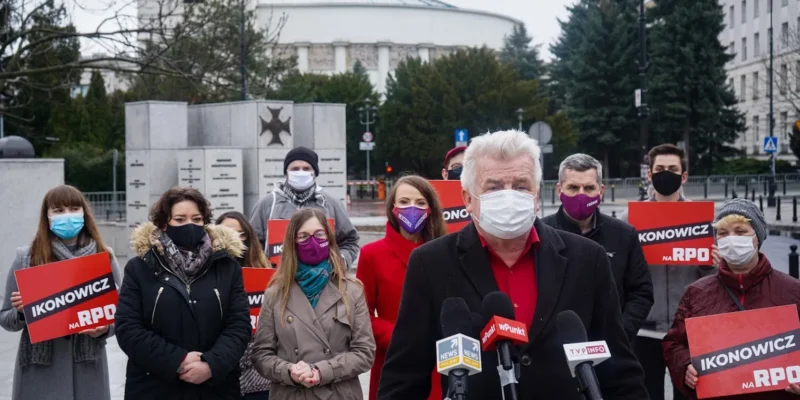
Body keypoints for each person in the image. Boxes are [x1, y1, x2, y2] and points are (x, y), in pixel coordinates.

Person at [378, 130, 648, 399]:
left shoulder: (588, 259)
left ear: (536, 195)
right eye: (494, 187)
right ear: (468, 199)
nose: (509, 197)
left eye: (520, 186)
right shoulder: (431, 263)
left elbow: (620, 373)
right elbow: (403, 379)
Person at [115, 187, 251, 399]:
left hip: (216, 388)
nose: (190, 225)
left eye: (197, 219)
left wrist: (210, 364)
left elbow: (239, 325)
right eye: (179, 219)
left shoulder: (227, 267)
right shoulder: (139, 268)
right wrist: (178, 360)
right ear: (163, 224)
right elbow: (128, 328)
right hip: (155, 387)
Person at [663, 199, 800, 399]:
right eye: (723, 233)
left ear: (757, 237)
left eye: (741, 231)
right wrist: (685, 367)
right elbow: (674, 343)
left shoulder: (792, 291)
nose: (732, 239)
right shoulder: (697, 293)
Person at [0, 185, 122, 400]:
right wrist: (21, 312)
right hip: (40, 373)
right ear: (47, 216)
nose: (68, 215)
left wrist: (103, 329)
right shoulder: (26, 258)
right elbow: (5, 318)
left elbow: (121, 315)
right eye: (58, 210)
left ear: (84, 213)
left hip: (88, 372)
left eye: (74, 208)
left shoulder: (104, 257)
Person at [620, 143, 718, 400]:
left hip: (688, 331)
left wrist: (711, 262)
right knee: (645, 394)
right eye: (660, 169)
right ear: (649, 175)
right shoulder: (627, 220)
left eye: (672, 169)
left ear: (684, 176)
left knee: (688, 394)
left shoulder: (705, 221)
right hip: (643, 329)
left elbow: (714, 281)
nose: (666, 173)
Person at [251, 208, 375, 399]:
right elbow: (261, 355)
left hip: (339, 394)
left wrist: (321, 371)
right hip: (292, 393)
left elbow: (364, 353)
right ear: (292, 243)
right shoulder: (275, 293)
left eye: (319, 235)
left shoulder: (351, 290)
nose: (312, 242)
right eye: (303, 237)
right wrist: (289, 371)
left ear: (330, 239)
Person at [542, 153, 654, 341]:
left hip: (612, 349)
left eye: (589, 188)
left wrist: (621, 334)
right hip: (555, 350)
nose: (581, 194)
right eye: (573, 187)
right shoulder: (542, 234)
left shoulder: (624, 235)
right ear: (559, 190)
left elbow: (641, 291)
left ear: (601, 191)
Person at [356, 175, 448, 400]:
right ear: (392, 207)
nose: (412, 208)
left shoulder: (445, 251)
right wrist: (399, 337)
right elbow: (361, 314)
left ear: (430, 208)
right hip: (393, 359)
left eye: (420, 203)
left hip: (438, 363)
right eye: (404, 202)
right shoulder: (372, 255)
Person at [249, 146, 360, 267]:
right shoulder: (267, 204)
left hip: (323, 280)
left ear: (315, 173)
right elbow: (252, 242)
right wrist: (262, 264)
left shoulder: (331, 204)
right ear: (286, 173)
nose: (301, 172)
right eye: (295, 169)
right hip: (277, 279)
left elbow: (350, 241)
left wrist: (339, 262)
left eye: (306, 168)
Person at [216, 211, 273, 400]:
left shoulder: (266, 275)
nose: (235, 239)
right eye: (226, 232)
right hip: (219, 374)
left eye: (241, 234)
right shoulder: (204, 276)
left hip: (259, 379)